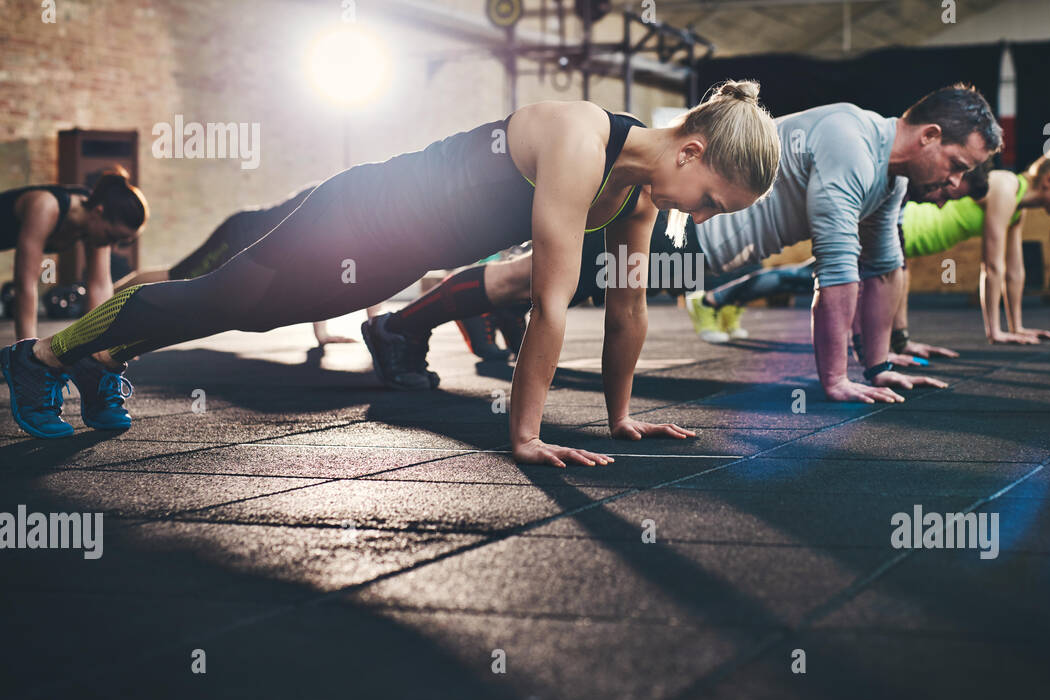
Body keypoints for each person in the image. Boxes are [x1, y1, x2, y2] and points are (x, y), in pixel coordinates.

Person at [2, 83, 781, 468]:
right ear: (692, 153)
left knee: (251, 313)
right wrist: (526, 435)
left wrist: (618, 418)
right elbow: (548, 300)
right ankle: (41, 358)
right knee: (225, 296)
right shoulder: (581, 138)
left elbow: (627, 312)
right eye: (713, 200)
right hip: (363, 211)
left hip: (394, 252)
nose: (705, 218)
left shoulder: (637, 197)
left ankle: (107, 358)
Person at [364, 84, 1001, 404]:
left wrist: (888, 356)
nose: (958, 182)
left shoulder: (887, 181)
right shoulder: (851, 140)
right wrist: (835, 378)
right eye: (959, 164)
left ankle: (480, 311)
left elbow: (885, 268)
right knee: (535, 278)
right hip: (681, 228)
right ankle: (397, 327)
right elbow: (837, 271)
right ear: (929, 136)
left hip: (702, 246)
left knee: (540, 278)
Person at [114, 184, 387, 355]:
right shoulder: (342, 209)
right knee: (179, 277)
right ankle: (109, 298)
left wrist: (325, 335)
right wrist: (364, 328)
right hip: (239, 235)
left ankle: (110, 298)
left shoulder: (357, 221)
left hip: (258, 240)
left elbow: (350, 274)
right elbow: (327, 271)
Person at [0, 168, 148, 431]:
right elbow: (26, 284)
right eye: (113, 237)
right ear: (99, 212)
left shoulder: (94, 218)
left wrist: (106, 346)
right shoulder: (46, 207)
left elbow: (100, 285)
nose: (112, 246)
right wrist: (30, 358)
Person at [894, 146, 1050, 346]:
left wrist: (1017, 327)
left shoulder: (1017, 206)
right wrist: (995, 332)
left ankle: (898, 343)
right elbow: (991, 265)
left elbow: (1014, 271)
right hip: (911, 227)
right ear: (1049, 180)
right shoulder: (1005, 186)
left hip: (914, 240)